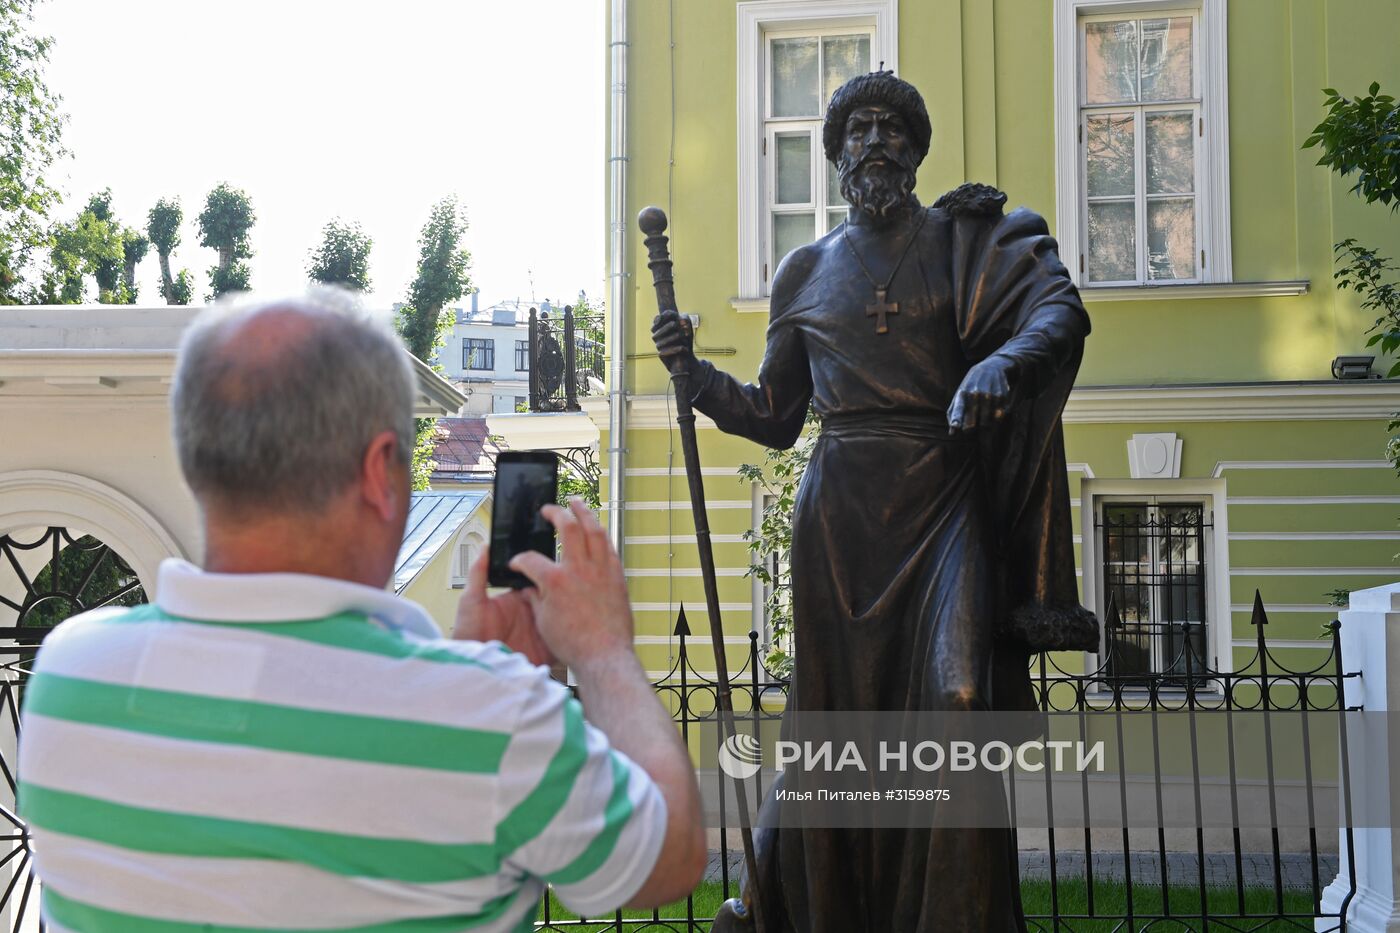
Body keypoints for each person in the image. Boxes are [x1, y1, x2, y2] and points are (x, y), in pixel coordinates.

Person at [18, 289, 705, 931]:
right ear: (380, 471)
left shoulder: (70, 676)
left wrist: (477, 682)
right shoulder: (491, 724)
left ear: (196, 458)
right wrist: (602, 649)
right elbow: (670, 855)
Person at [652, 72, 1094, 932]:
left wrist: (1003, 364)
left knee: (959, 698)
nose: (876, 139)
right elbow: (778, 417)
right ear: (835, 154)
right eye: (858, 129)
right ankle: (811, 908)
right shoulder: (804, 270)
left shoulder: (969, 241)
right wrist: (695, 377)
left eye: (893, 127)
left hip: (942, 499)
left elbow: (1058, 310)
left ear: (918, 149)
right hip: (839, 519)